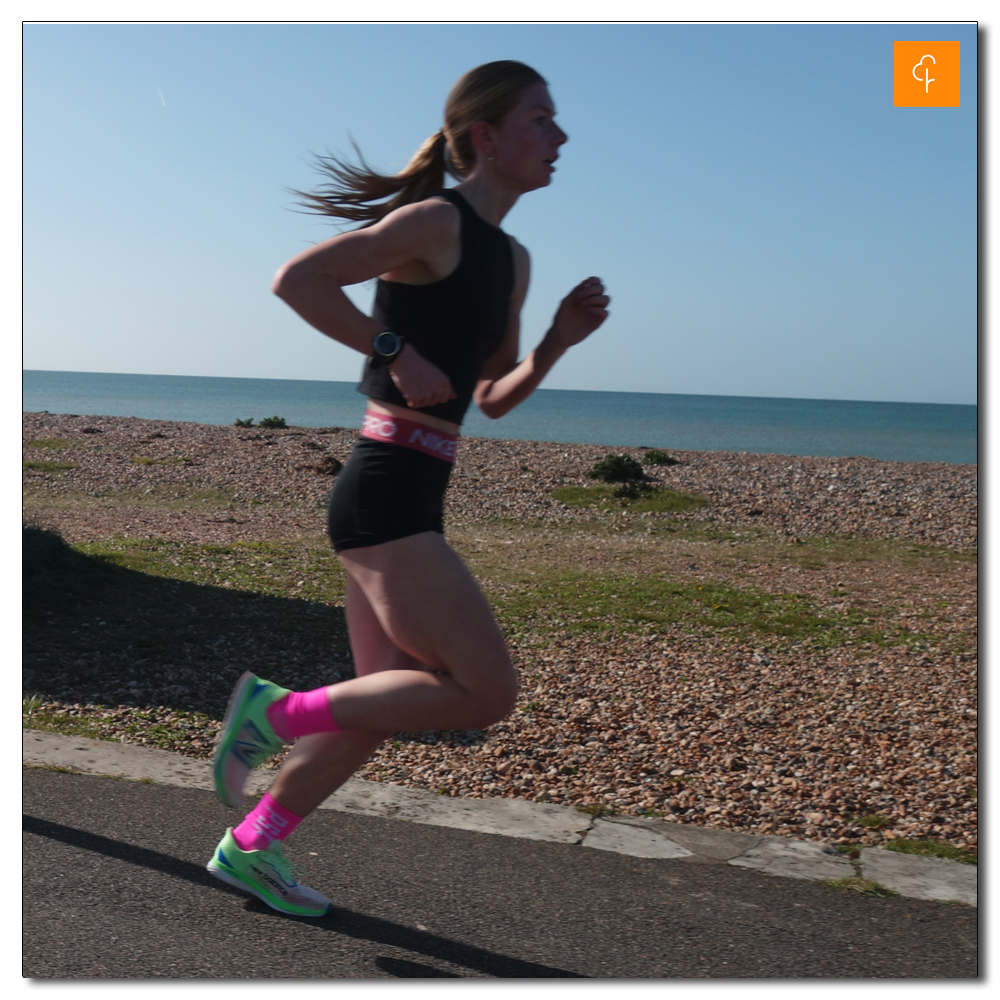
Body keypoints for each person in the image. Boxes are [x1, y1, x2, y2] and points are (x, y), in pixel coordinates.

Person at [207, 60, 610, 916]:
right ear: (486, 138)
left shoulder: (512, 260)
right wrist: (392, 349)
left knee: (377, 709)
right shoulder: (434, 221)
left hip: (419, 488)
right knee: (487, 691)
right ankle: (273, 715)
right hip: (384, 488)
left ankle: (253, 845)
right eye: (542, 119)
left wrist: (557, 344)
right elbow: (299, 280)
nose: (561, 137)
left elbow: (491, 398)